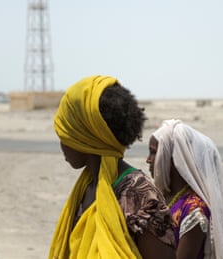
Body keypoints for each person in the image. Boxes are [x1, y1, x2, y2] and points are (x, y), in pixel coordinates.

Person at [48, 75, 176, 259]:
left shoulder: (138, 193)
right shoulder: (88, 186)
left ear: (85, 137)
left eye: (65, 135)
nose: (61, 145)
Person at [146, 119, 223, 259]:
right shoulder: (163, 196)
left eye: (154, 152)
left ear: (172, 158)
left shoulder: (194, 211)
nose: (148, 159)